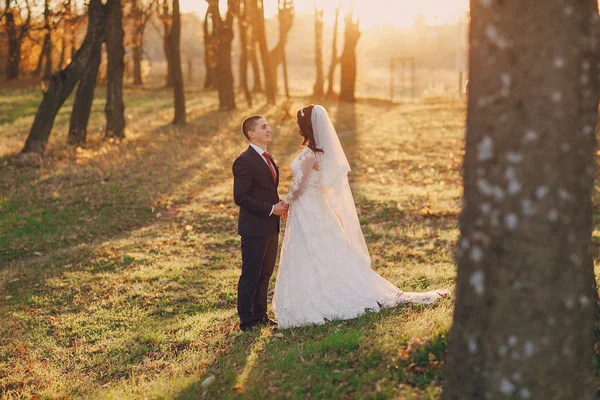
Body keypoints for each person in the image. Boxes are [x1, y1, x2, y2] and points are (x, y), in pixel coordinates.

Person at [273, 105, 449, 329]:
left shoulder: (310, 154)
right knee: (315, 249)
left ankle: (320, 296)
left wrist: (285, 202)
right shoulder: (320, 152)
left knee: (313, 249)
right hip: (313, 207)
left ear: (305, 126)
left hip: (308, 207)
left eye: (299, 124)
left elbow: (300, 185)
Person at [233, 115, 288, 331]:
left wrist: (280, 204)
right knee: (251, 274)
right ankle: (247, 322)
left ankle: (261, 316)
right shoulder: (244, 161)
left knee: (265, 273)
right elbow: (241, 197)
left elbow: (266, 190)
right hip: (254, 228)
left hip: (270, 226)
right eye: (263, 127)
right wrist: (271, 209)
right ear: (251, 134)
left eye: (268, 125)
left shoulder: (268, 157)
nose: (269, 129)